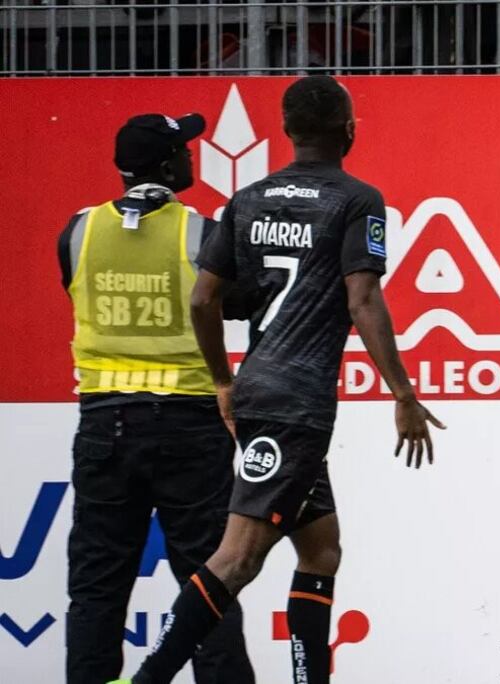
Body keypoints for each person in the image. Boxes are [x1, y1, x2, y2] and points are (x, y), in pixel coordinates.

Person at [116, 75, 445, 684]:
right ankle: (147, 679)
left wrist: (223, 380)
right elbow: (364, 299)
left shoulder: (246, 199)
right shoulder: (357, 200)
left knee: (321, 549)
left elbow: (205, 300)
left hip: (261, 391)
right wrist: (403, 392)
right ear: (348, 130)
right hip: (295, 406)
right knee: (237, 559)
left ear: (289, 132)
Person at [58, 113, 254, 683]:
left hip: (103, 428)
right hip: (190, 425)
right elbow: (236, 302)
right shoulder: (202, 232)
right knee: (208, 583)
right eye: (185, 151)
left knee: (96, 587)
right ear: (168, 166)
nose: (193, 158)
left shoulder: (77, 232)